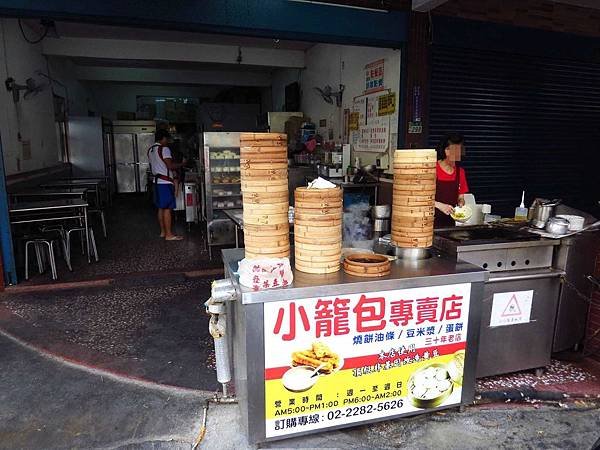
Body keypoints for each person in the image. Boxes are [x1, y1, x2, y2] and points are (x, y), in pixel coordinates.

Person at [148, 129, 186, 241]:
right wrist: (182, 164)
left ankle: (163, 232)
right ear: (163, 138)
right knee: (167, 208)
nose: (168, 141)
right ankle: (169, 235)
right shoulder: (164, 149)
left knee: (160, 207)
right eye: (167, 139)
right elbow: (170, 166)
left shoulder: (150, 150)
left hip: (156, 182)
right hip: (165, 183)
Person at [434, 133, 470, 228]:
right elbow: (422, 198)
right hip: (430, 221)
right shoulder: (432, 169)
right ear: (446, 151)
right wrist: (440, 205)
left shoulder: (460, 172)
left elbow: (461, 197)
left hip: (449, 222)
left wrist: (461, 202)